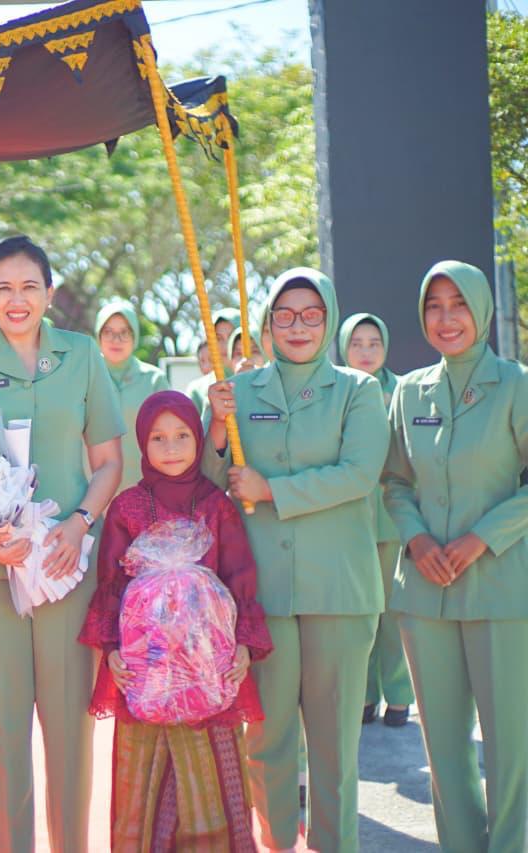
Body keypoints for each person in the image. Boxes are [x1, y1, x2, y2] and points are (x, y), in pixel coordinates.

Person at [0, 235, 124, 852]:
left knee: (70, 731)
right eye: (4, 288)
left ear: (48, 292)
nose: (18, 300)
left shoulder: (82, 355)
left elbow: (109, 461)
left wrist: (79, 523)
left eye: (30, 286)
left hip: (65, 566)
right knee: (3, 732)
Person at [204, 268, 388, 852]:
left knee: (334, 748)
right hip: (262, 593)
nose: (298, 326)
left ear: (329, 318)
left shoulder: (359, 391)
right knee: (267, 740)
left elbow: (358, 474)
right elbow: (211, 485)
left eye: (311, 314)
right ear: (267, 324)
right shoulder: (242, 392)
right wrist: (214, 424)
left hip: (338, 590)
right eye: (284, 315)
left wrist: (272, 491)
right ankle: (276, 843)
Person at [80, 390, 272, 851]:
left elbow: (240, 576)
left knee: (211, 778)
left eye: (183, 435)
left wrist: (243, 644)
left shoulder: (217, 505)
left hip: (208, 673)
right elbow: (110, 584)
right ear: (142, 445)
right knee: (141, 783)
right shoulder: (126, 507)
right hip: (144, 676)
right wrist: (111, 653)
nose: (171, 447)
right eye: (158, 438)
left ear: (199, 438)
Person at [381, 260, 528, 851]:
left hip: (499, 588)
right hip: (424, 591)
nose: (447, 318)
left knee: (509, 747)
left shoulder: (516, 384)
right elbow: (394, 482)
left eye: (459, 303)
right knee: (444, 749)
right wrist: (416, 538)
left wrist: (482, 537)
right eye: (434, 306)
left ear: (482, 310)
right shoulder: (410, 390)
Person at [338, 312, 412, 727]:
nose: (366, 352)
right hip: (347, 519)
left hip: (391, 519)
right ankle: (363, 696)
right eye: (357, 343)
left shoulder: (403, 391)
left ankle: (399, 696)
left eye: (374, 343)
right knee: (357, 613)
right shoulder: (335, 391)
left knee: (391, 615)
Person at [95, 300, 170, 492]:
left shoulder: (154, 380)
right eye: (108, 332)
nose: (116, 340)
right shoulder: (83, 377)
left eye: (124, 333)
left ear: (134, 336)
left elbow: (168, 436)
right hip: (92, 493)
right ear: (98, 336)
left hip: (145, 491)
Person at [186, 307, 241, 412]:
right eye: (218, 338)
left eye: (232, 336)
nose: (225, 345)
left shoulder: (263, 381)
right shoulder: (197, 391)